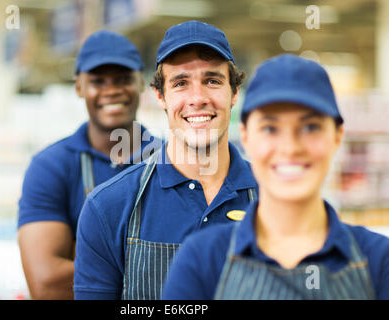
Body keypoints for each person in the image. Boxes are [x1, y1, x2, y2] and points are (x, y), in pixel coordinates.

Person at [161, 54, 389, 300]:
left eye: (310, 127)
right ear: (246, 136)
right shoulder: (203, 259)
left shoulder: (378, 260)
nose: (290, 148)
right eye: (270, 128)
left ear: (337, 135)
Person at [73, 20, 258, 300]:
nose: (198, 98)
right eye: (181, 83)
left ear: (234, 93)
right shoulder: (108, 208)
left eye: (212, 81)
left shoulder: (280, 202)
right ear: (160, 96)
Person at [17, 30, 159, 300]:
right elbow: (46, 284)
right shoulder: (51, 166)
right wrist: (153, 262)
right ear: (79, 87)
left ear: (142, 82)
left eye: (123, 79)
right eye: (98, 81)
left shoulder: (171, 160)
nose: (112, 90)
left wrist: (82, 259)